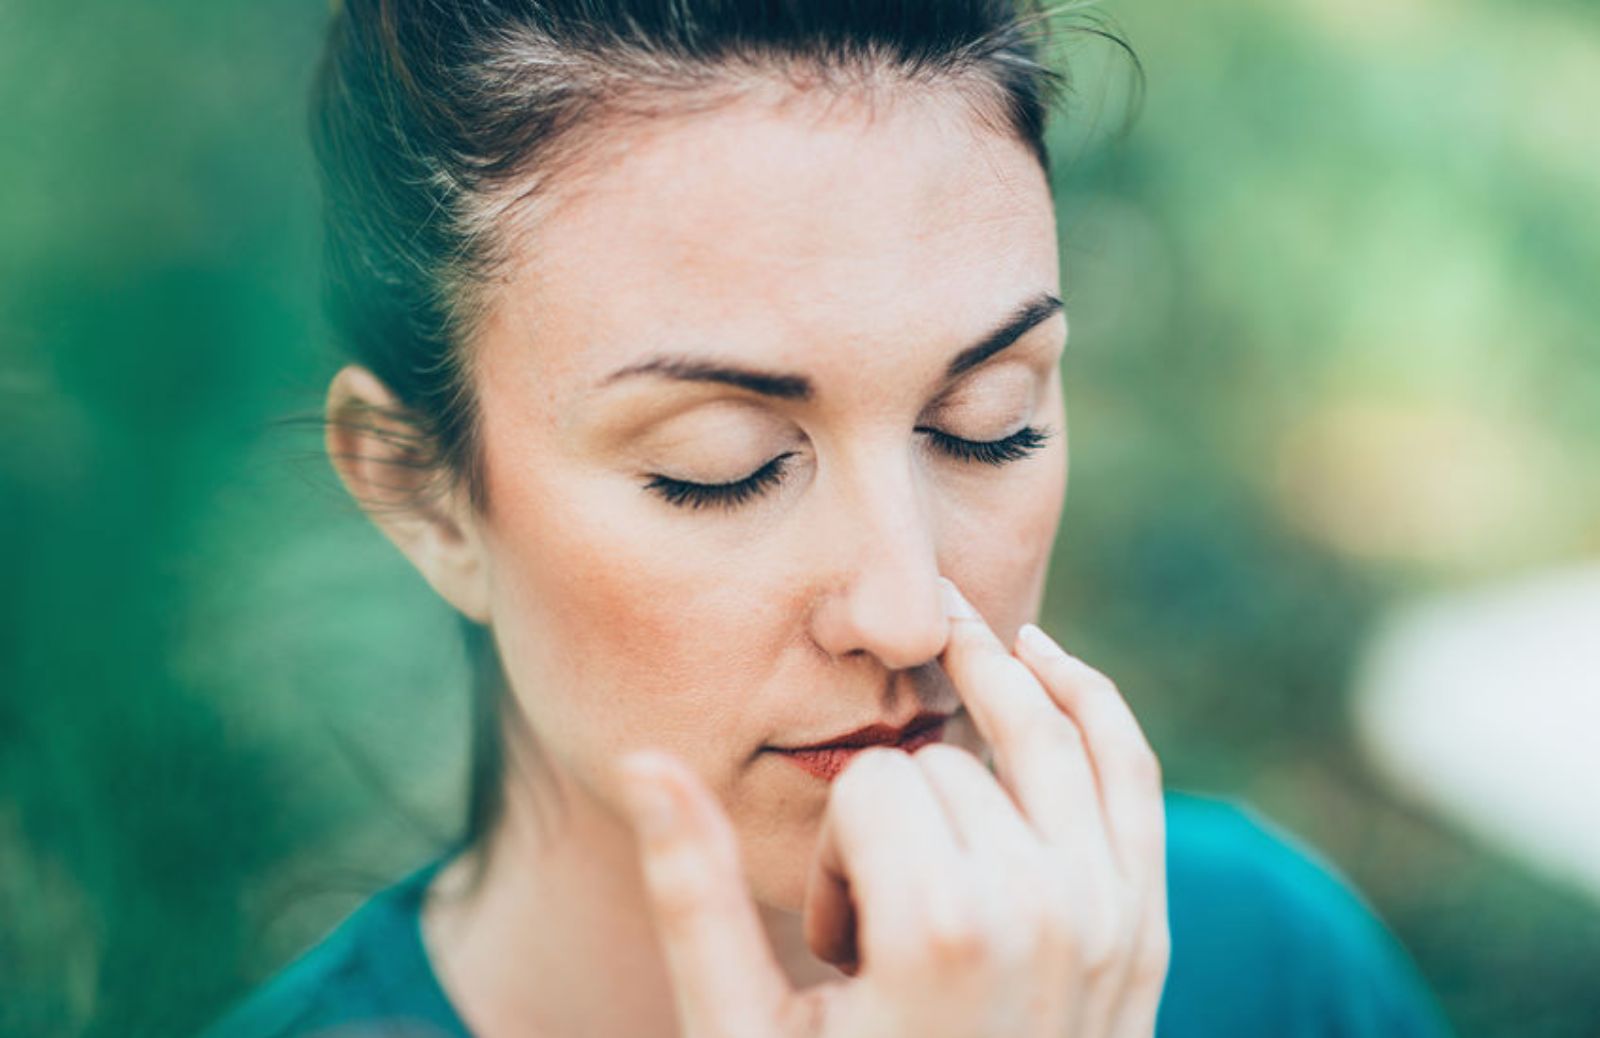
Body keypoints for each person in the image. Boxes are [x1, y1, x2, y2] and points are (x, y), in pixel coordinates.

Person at [202, 1, 1456, 1035]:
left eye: (987, 422)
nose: (907, 611)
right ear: (425, 494)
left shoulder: (1260, 965)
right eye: (721, 466)